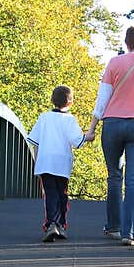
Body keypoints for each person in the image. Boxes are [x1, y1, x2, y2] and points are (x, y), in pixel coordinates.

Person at [85, 24, 134, 247]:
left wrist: (92, 128)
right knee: (133, 180)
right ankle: (130, 233)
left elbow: (102, 99)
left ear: (126, 42)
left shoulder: (114, 63)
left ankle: (113, 227)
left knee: (114, 176)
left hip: (112, 125)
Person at [27, 85, 89, 242]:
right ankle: (59, 224)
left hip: (46, 162)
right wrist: (88, 136)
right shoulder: (69, 119)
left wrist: (37, 161)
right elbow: (77, 141)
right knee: (62, 193)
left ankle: (51, 224)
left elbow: (34, 142)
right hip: (62, 163)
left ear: (52, 100)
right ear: (70, 102)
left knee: (50, 193)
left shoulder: (44, 117)